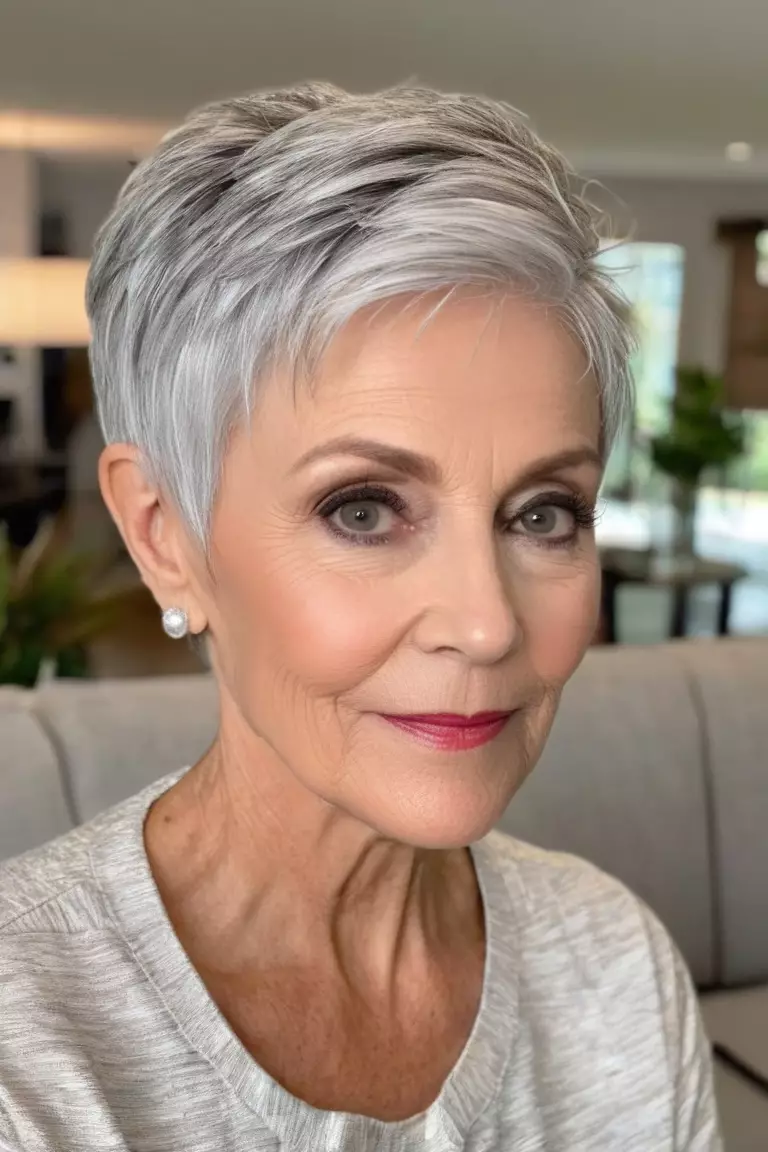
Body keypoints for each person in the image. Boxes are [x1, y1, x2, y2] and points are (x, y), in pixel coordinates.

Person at [0, 83, 722, 1151]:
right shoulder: (26, 1052)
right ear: (163, 537)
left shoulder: (615, 967)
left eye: (543, 513)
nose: (486, 624)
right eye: (364, 510)